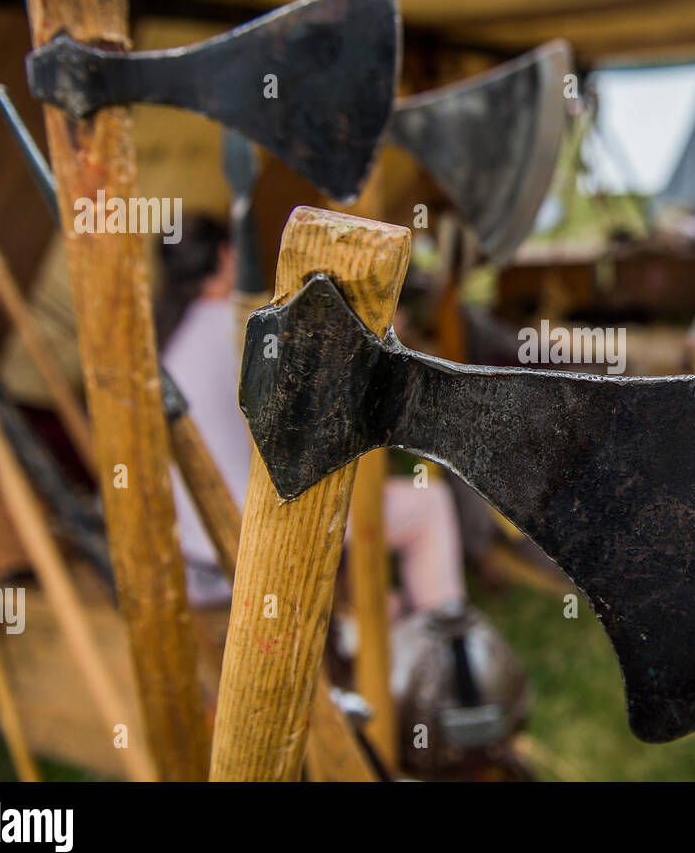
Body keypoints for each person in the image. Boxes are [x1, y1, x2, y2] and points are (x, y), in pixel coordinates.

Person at [157, 217, 466, 612]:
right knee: (429, 502)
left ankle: (380, 619)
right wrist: (378, 346)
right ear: (225, 255)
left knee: (378, 585)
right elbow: (325, 401)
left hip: (195, 547)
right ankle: (448, 640)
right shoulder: (242, 327)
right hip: (250, 536)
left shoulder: (170, 337)